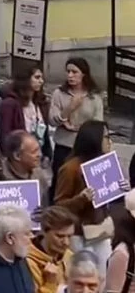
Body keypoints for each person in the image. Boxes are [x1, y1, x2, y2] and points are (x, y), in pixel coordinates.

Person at [55, 120, 130, 276]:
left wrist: (122, 189)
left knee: (103, 276)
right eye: (106, 137)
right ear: (94, 139)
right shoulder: (70, 169)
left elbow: (111, 199)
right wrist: (81, 199)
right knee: (82, 276)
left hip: (101, 230)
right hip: (79, 235)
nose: (110, 142)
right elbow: (58, 206)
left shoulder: (106, 163)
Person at [49, 58, 103, 196]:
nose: (70, 75)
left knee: (83, 183)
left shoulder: (94, 96)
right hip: (64, 145)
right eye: (68, 72)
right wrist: (70, 107)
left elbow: (98, 123)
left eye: (74, 72)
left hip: (86, 146)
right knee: (60, 182)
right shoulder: (59, 94)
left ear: (83, 74)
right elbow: (52, 120)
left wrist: (82, 129)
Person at [27, 206, 77, 293]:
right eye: (60, 236)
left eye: (70, 236)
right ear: (44, 231)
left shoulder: (69, 256)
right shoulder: (28, 263)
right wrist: (50, 283)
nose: (66, 242)